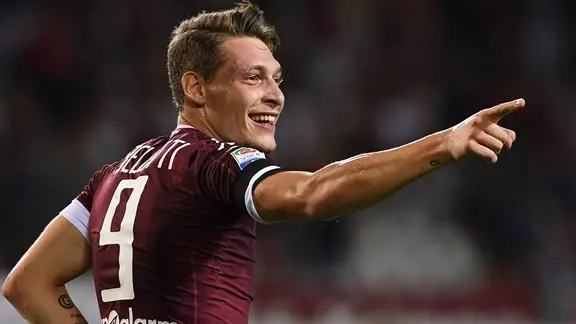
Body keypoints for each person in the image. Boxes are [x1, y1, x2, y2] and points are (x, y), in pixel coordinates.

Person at [1, 1, 525, 323]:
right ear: (196, 88)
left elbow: (26, 285)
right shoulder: (214, 163)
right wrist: (442, 145)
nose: (275, 94)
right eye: (253, 78)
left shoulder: (116, 175)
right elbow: (312, 193)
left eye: (276, 78)